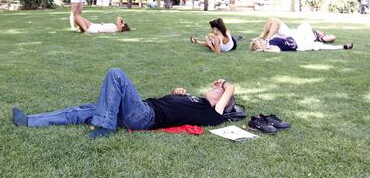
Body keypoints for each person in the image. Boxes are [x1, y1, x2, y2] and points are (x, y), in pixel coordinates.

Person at [12, 68, 235, 139]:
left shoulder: (212, 114)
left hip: (145, 116)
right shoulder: (195, 100)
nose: (216, 87)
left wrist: (225, 84)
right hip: (135, 111)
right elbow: (173, 108)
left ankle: (106, 126)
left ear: (221, 101)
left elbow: (231, 88)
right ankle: (29, 120)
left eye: (218, 90)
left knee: (116, 74)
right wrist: (175, 93)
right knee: (80, 111)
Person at [255, 17, 336, 44]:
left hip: (290, 35)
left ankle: (266, 40)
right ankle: (260, 37)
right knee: (272, 19)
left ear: (322, 35)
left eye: (322, 32)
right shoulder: (312, 33)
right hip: (291, 31)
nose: (320, 30)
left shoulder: (317, 37)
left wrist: (329, 36)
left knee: (276, 22)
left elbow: (332, 37)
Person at [250, 36, 353, 52]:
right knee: (320, 45)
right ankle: (343, 47)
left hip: (297, 39)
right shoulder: (269, 47)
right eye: (260, 43)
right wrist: (264, 50)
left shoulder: (269, 40)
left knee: (318, 40)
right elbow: (277, 50)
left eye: (260, 41)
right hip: (300, 46)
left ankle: (325, 37)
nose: (261, 41)